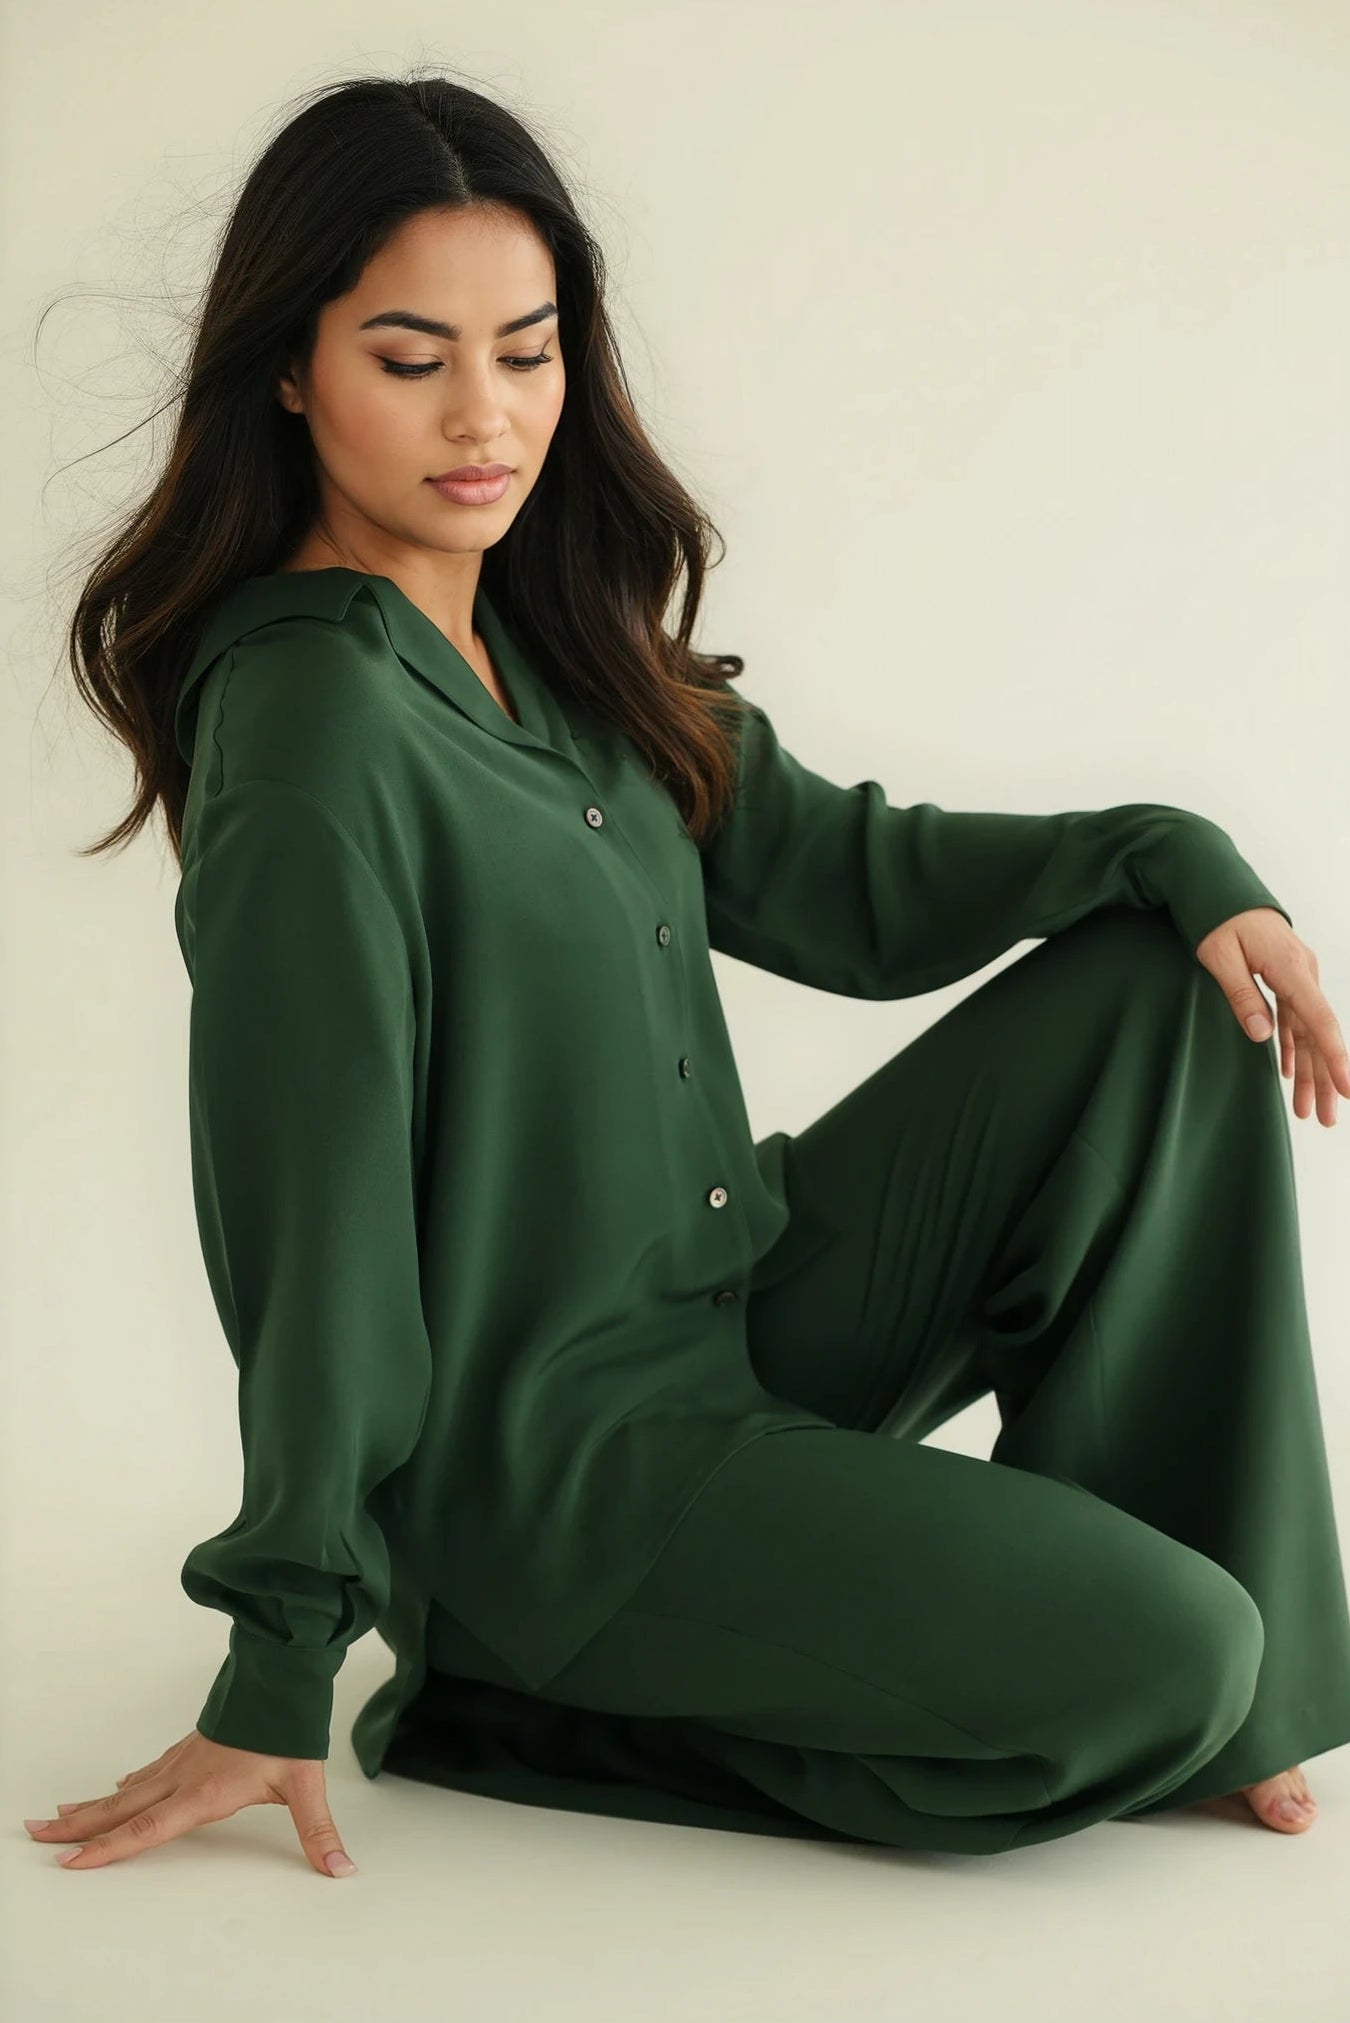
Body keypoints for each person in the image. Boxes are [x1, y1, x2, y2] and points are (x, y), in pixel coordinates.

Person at [31, 73, 1350, 1878]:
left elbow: (849, 881)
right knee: (1172, 1653)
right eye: (411, 360)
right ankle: (518, 1697)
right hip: (556, 1479)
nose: (486, 417)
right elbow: (312, 1219)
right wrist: (280, 1655)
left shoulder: (548, 633)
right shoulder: (311, 728)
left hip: (733, 1316)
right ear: (289, 370)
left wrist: (1172, 854)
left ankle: (1219, 1713)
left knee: (1158, 988)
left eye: (527, 352)